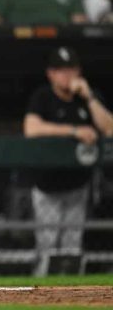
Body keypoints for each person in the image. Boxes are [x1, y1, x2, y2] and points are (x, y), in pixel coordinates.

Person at [24, 46, 113, 276]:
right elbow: (31, 129)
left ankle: (69, 297)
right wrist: (73, 131)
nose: (66, 75)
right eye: (60, 70)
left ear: (78, 72)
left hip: (77, 186)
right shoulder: (43, 97)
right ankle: (41, 295)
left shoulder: (88, 99)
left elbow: (110, 128)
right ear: (50, 74)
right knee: (48, 246)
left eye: (71, 70)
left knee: (72, 247)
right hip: (47, 187)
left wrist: (90, 98)